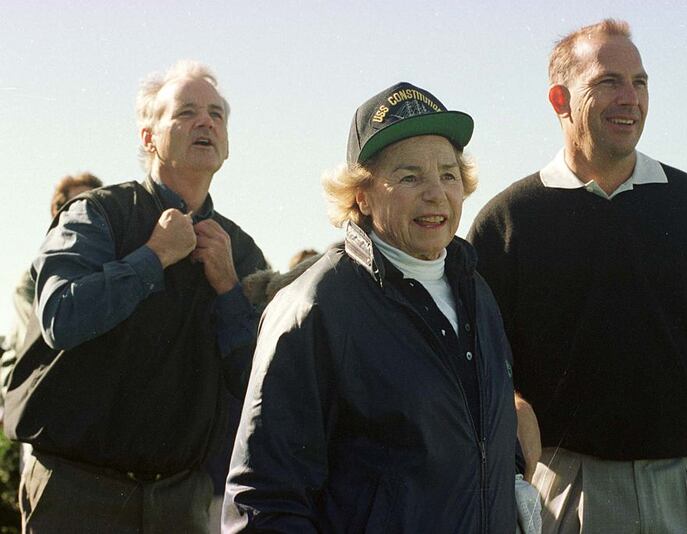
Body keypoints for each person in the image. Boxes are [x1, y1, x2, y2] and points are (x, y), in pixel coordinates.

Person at [468, 19, 687, 533]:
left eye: (641, 82)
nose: (630, 98)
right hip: (563, 494)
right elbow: (482, 364)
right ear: (560, 100)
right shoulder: (507, 221)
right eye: (609, 82)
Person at [224, 82, 535, 533]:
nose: (435, 193)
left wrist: (511, 474)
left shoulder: (476, 291)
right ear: (361, 196)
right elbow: (263, 500)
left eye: (448, 174)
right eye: (409, 177)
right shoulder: (315, 308)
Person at [4, 60, 266, 533]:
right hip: (77, 492)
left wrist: (229, 289)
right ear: (149, 138)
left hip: (180, 501)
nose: (205, 122)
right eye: (186, 112)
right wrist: (152, 257)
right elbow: (60, 315)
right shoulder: (96, 215)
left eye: (216, 114)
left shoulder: (239, 251)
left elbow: (257, 378)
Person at [1, 172, 103, 407]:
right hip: (44, 404)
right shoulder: (30, 282)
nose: (85, 214)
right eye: (77, 206)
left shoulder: (112, 271)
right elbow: (43, 342)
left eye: (94, 205)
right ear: (57, 215)